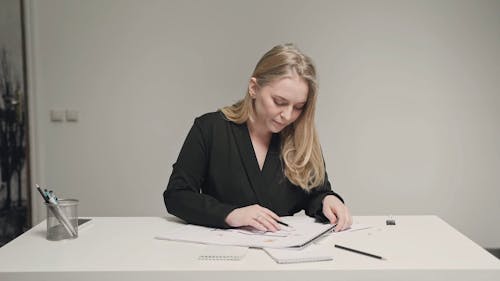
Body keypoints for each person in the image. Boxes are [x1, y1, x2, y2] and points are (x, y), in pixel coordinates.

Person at [164, 43, 352, 232]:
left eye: (298, 107)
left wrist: (329, 199)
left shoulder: (301, 137)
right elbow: (177, 195)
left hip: (284, 251)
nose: (287, 115)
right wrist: (231, 214)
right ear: (254, 88)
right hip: (224, 252)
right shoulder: (210, 128)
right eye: (279, 102)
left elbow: (315, 194)